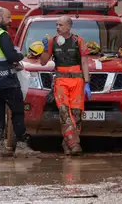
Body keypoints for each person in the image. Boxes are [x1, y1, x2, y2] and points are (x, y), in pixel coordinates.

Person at [0, 7, 39, 158]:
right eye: (8, 17)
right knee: (17, 111)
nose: (11, 20)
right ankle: (22, 146)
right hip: (6, 80)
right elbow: (11, 56)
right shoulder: (1, 34)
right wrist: (20, 55)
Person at [40, 16, 91, 156]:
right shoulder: (52, 41)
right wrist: (44, 49)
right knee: (64, 112)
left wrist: (87, 83)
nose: (57, 27)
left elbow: (85, 63)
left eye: (61, 25)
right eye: (56, 25)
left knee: (76, 114)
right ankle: (74, 144)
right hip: (61, 80)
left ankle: (67, 142)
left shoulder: (79, 41)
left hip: (77, 81)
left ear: (69, 27)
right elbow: (43, 62)